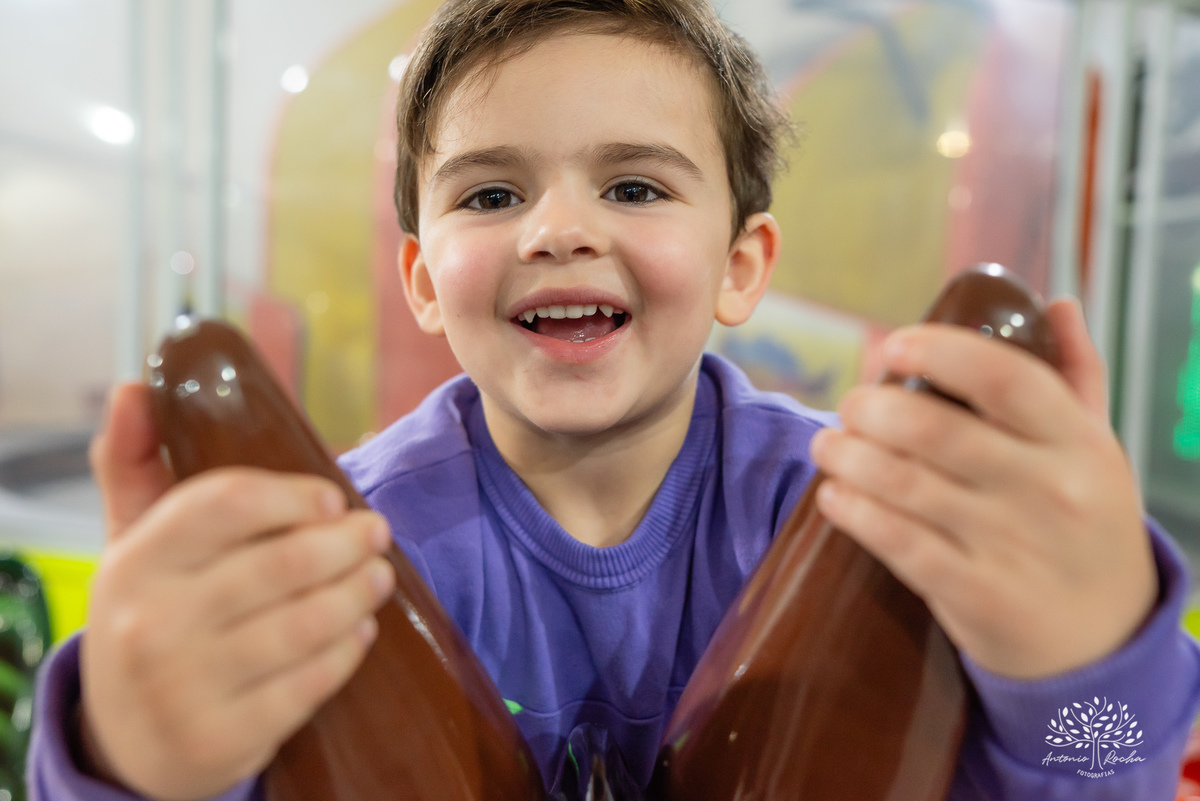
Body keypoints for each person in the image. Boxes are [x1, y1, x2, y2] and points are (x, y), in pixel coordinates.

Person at [27, 0, 1200, 798]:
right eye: (490, 196)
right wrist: (136, 758)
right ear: (426, 283)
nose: (560, 230)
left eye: (635, 184)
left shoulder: (880, 516)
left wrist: (1084, 669)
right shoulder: (353, 545)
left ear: (743, 264)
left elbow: (1104, 771)